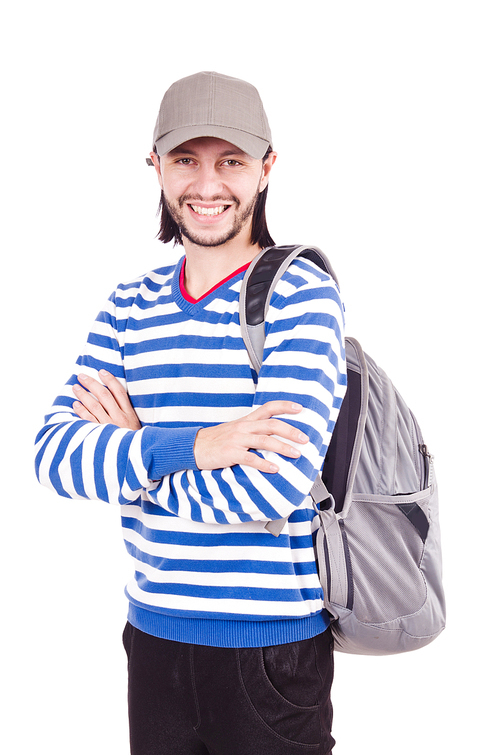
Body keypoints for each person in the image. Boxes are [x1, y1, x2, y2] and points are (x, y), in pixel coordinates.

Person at [35, 71, 347, 755]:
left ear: (266, 169)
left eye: (230, 161)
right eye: (186, 161)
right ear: (156, 166)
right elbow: (53, 456)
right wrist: (200, 444)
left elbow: (270, 488)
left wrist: (134, 451)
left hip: (269, 656)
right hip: (153, 641)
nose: (207, 186)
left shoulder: (300, 295)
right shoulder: (128, 305)